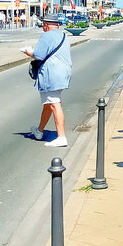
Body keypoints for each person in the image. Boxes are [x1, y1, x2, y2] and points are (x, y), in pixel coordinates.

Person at [25, 15, 73, 148]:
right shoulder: (64, 36)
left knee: (54, 104)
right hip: (64, 72)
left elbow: (38, 55)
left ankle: (61, 137)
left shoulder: (47, 36)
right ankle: (39, 131)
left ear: (46, 25)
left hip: (51, 74)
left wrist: (28, 52)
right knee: (49, 103)